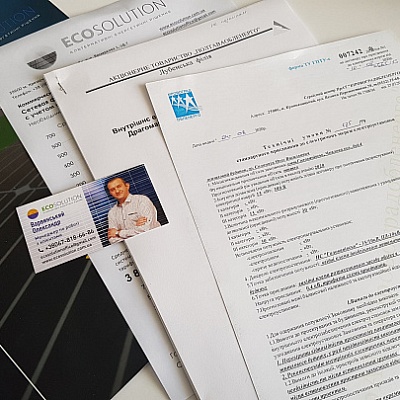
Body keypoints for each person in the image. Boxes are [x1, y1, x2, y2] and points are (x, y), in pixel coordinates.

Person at [106, 177, 161, 244]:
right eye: (112, 189)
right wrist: (136, 228)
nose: (117, 191)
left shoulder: (141, 200)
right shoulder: (112, 213)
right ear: (110, 193)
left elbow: (146, 229)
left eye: (119, 186)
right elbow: (112, 239)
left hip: (155, 240)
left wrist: (118, 233)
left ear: (127, 186)